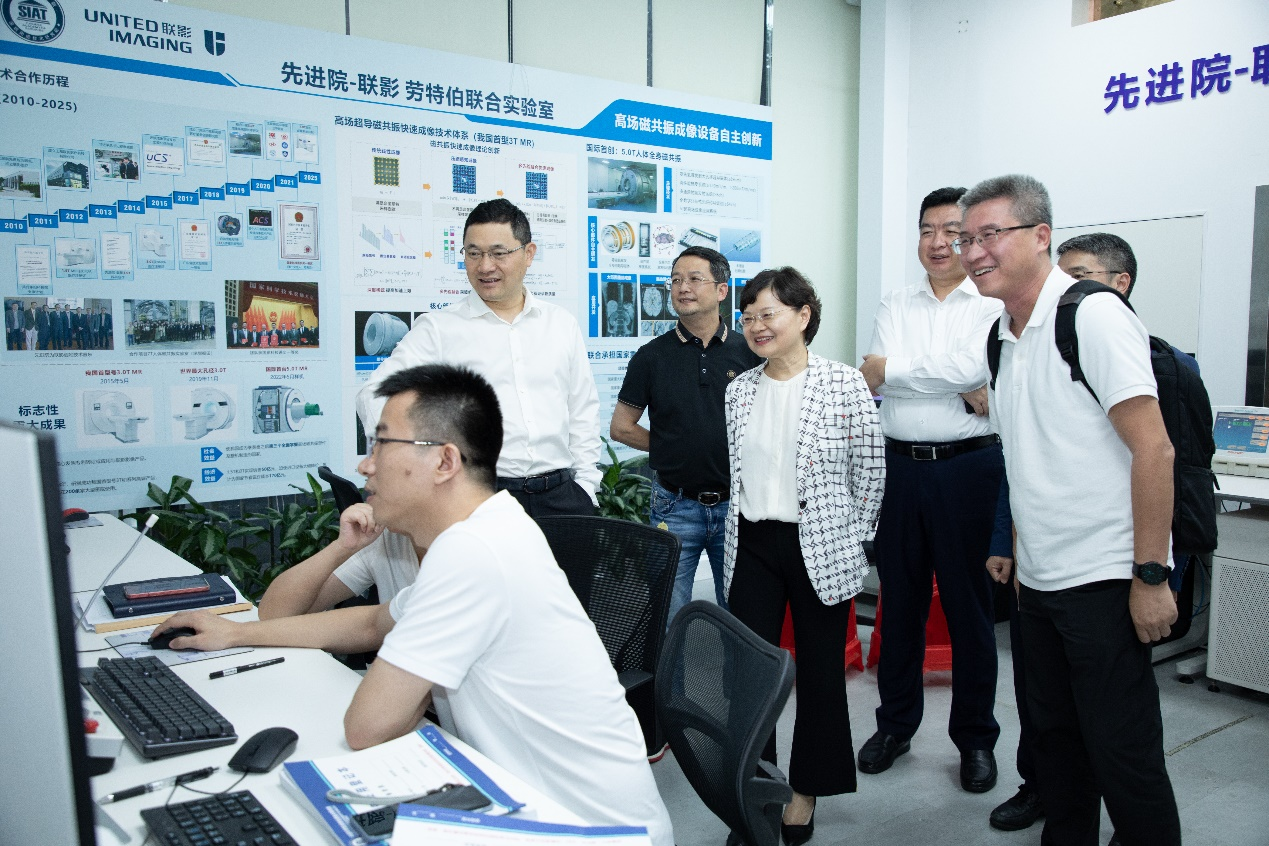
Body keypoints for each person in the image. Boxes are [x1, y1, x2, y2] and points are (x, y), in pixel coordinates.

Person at [157, 364, 672, 846]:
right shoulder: (490, 528)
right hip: (525, 798)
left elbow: (368, 726)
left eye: (382, 444)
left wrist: (404, 693)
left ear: (445, 461)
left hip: (584, 830)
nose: (365, 465)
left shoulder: (475, 551)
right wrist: (235, 633)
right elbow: (372, 621)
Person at [957, 174, 1180, 846]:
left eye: (990, 234)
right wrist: (1018, 551)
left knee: (1122, 751)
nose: (973, 252)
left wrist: (1150, 576)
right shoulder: (1001, 334)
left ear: (1040, 236)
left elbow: (1154, 450)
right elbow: (1027, 456)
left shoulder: (1090, 316)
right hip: (1039, 583)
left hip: (1105, 579)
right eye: (966, 239)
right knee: (1055, 746)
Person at [723, 267, 885, 846]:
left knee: (820, 676)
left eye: (768, 314)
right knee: (752, 677)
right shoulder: (739, 390)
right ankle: (757, 786)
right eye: (748, 317)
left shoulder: (843, 384)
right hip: (752, 544)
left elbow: (870, 472)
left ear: (803, 315)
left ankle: (805, 792)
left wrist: (851, 537)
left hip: (820, 543)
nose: (756, 326)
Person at [856, 186, 1006, 792]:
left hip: (968, 469)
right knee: (900, 604)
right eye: (927, 230)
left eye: (951, 231)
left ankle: (975, 740)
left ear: (970, 238)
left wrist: (901, 371)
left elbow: (973, 369)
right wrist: (951, 379)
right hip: (899, 469)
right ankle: (895, 726)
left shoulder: (991, 303)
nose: (938, 243)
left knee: (970, 609)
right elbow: (874, 375)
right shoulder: (896, 301)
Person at [357, 198, 600, 518]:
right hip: (480, 498)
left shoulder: (560, 324)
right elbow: (373, 394)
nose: (485, 266)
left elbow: (582, 410)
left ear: (528, 253)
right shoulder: (440, 329)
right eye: (473, 253)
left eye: (499, 253)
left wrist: (586, 488)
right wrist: (422, 456)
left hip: (563, 498)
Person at [610, 246, 760, 626]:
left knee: (739, 617)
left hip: (737, 506)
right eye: (676, 280)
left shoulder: (750, 353)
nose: (683, 287)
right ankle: (671, 671)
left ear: (722, 290)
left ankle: (735, 670)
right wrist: (671, 447)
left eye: (694, 279)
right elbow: (621, 427)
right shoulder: (651, 356)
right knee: (668, 617)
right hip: (673, 507)